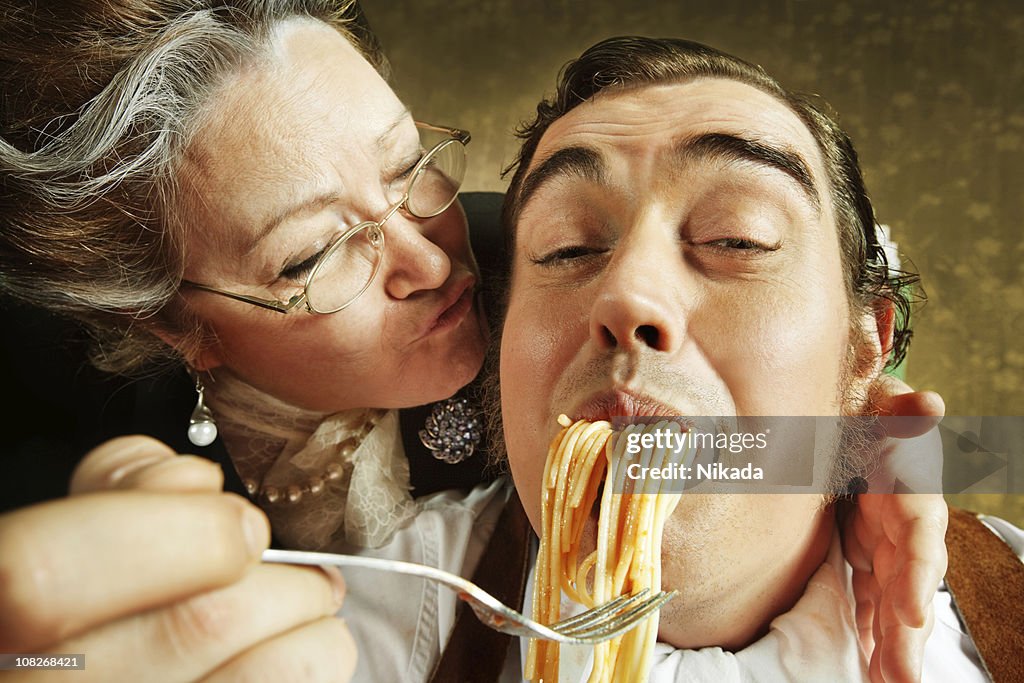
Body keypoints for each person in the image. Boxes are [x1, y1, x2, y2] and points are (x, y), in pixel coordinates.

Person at [0, 2, 950, 679]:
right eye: (318, 253)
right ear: (178, 325)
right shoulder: (58, 451)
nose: (433, 256)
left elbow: (823, 301)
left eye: (410, 168)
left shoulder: (523, 254)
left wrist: (851, 447)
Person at [493, 35, 1023, 682]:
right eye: (567, 247)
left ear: (866, 351)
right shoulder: (371, 613)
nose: (629, 295)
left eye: (737, 236)